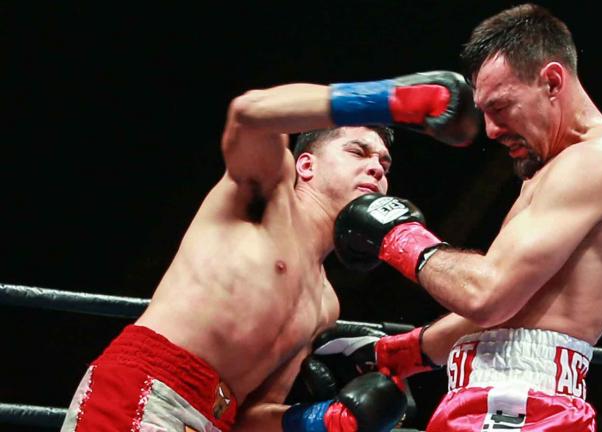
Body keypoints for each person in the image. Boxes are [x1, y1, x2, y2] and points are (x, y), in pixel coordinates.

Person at [60, 71, 479, 432]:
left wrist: (325, 420)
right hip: (147, 387)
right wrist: (391, 100)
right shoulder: (266, 198)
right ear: (306, 165)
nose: (376, 167)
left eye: (385, 165)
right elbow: (252, 112)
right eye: (358, 151)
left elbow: (252, 416)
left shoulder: (324, 302)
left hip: (213, 421)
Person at [323, 3, 602, 431]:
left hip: (522, 407)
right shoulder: (557, 171)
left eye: (500, 108)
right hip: (495, 398)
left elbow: (487, 294)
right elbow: (506, 310)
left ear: (552, 81)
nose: (491, 130)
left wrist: (397, 236)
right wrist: (397, 353)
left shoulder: (600, 161)